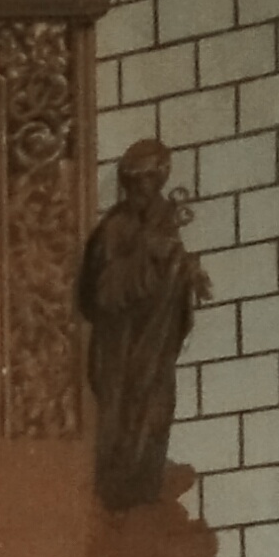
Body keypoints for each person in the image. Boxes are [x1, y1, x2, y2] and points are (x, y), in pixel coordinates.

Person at [77, 137, 210, 510]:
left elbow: (171, 277)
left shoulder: (161, 220)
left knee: (156, 411)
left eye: (151, 181)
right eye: (136, 182)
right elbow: (103, 294)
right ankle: (120, 494)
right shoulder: (114, 229)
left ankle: (144, 486)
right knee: (123, 418)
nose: (143, 191)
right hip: (121, 351)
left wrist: (186, 272)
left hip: (156, 347)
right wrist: (149, 255)